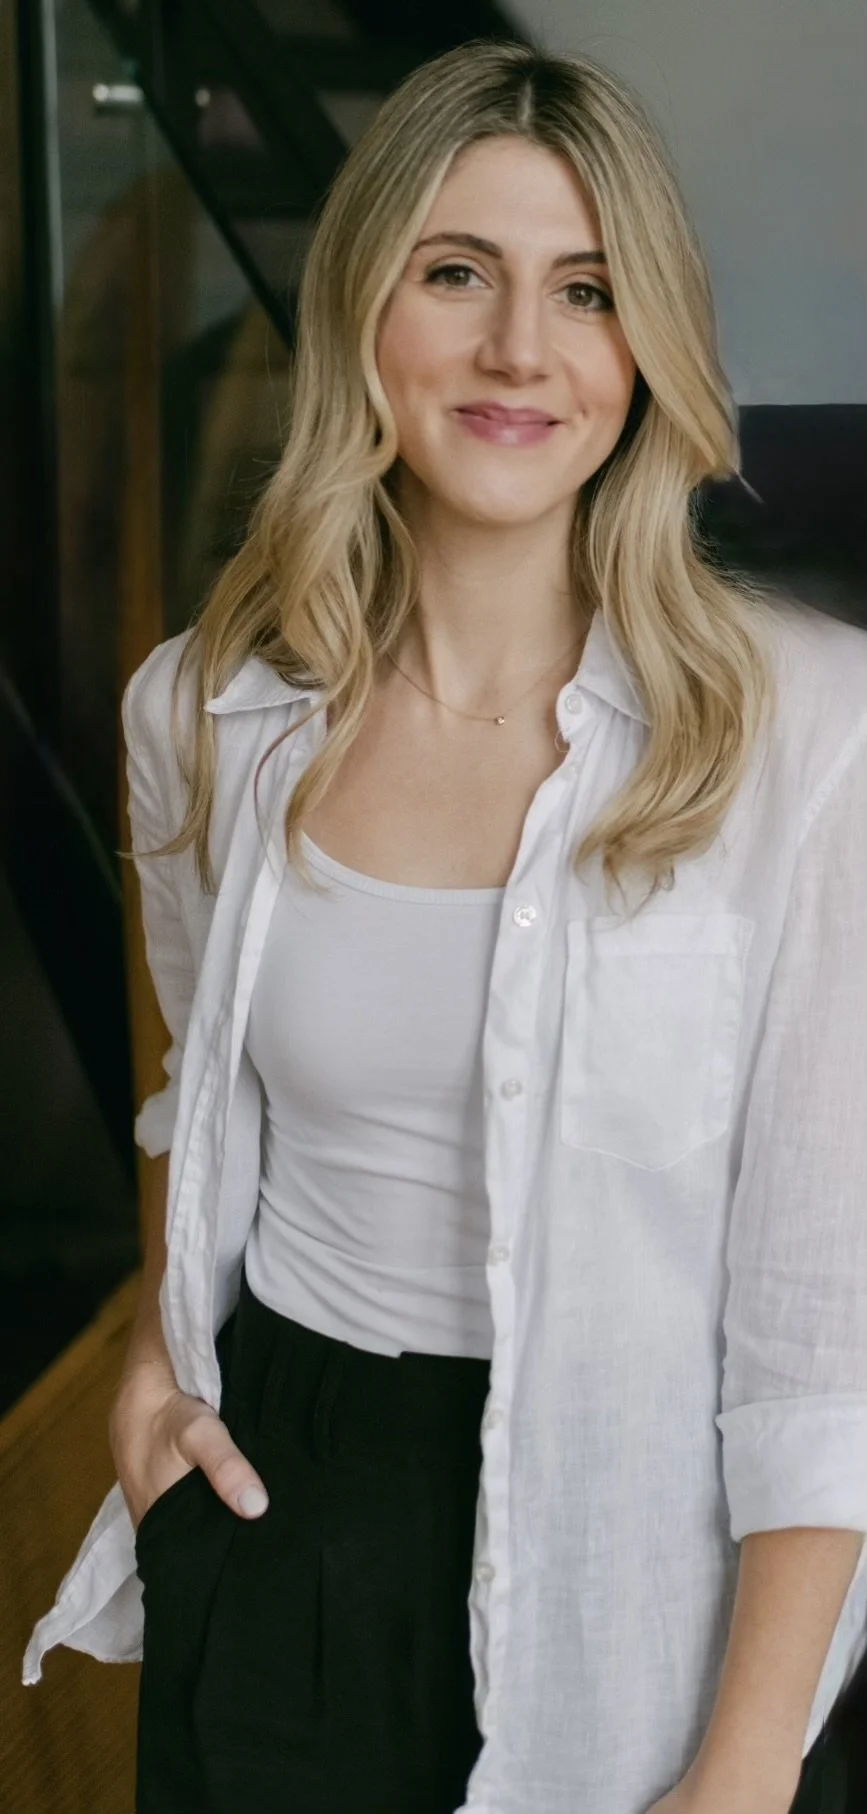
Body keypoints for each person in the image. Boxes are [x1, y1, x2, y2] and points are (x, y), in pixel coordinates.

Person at [23, 39, 867, 1814]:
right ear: (362, 309)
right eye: (457, 272)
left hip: (643, 1572)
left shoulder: (810, 731)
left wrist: (745, 1761)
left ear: (644, 347)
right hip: (281, 1508)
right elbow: (194, 1097)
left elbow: (826, 1312)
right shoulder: (204, 712)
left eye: (586, 289)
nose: (519, 350)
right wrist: (158, 1377)